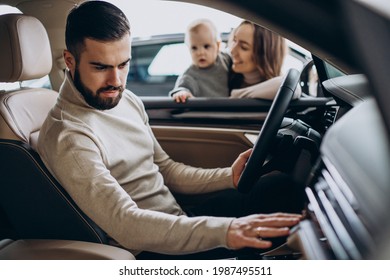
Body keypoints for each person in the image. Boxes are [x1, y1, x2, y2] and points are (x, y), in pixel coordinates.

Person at [37, 1, 303, 259]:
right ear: (70, 61)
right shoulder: (68, 135)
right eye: (101, 67)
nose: (116, 81)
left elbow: (166, 170)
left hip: (178, 220)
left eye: (123, 64)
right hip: (149, 250)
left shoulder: (126, 100)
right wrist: (228, 231)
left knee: (281, 188)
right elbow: (126, 223)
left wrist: (227, 177)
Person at [229, 20, 301, 99]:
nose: (232, 51)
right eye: (234, 41)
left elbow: (292, 88)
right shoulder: (227, 70)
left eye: (244, 47)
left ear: (264, 54)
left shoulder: (279, 82)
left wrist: (236, 95)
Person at [169, 18, 231, 103]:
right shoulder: (190, 74)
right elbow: (182, 87)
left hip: (230, 109)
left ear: (217, 45)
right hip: (205, 113)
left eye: (206, 46)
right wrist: (182, 93)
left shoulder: (226, 59)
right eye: (194, 48)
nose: (200, 53)